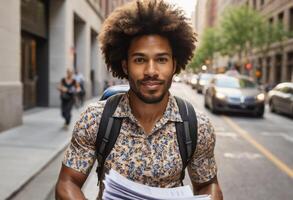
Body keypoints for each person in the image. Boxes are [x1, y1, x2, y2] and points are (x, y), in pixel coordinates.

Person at [55, 1, 223, 200]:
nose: (151, 71)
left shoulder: (197, 126)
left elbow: (207, 186)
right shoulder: (95, 119)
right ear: (125, 66)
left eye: (161, 59)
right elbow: (68, 183)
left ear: (174, 64)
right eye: (140, 60)